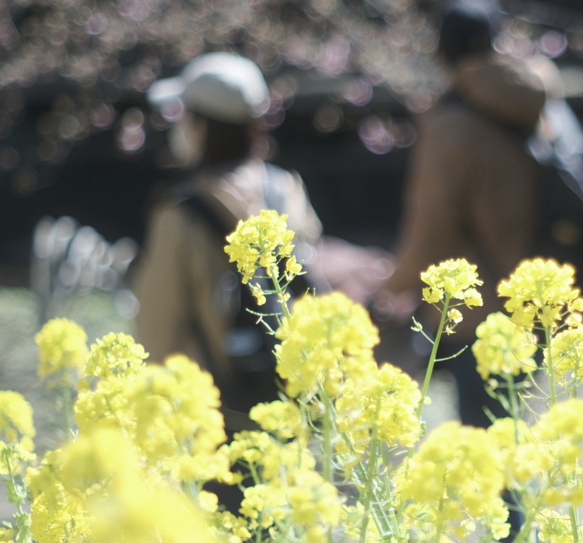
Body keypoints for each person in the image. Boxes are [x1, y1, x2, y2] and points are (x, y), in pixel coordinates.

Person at [135, 52, 391, 428]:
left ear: (200, 126)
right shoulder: (286, 188)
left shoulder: (179, 214)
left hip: (213, 418)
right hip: (294, 404)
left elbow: (158, 329)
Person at [378, 1, 556, 428]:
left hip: (478, 310)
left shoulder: (452, 126)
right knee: (515, 441)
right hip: (537, 296)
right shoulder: (535, 106)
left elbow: (431, 228)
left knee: (486, 455)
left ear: (441, 51)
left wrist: (390, 287)